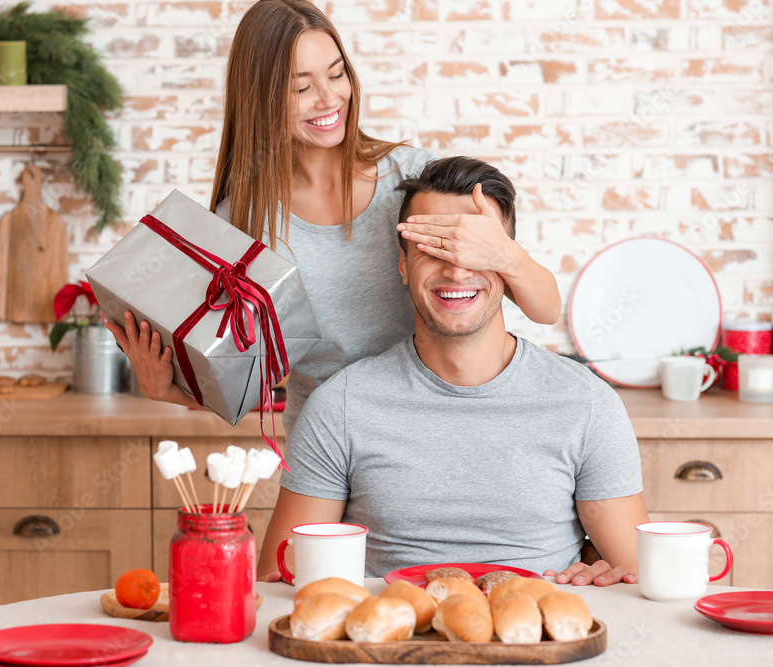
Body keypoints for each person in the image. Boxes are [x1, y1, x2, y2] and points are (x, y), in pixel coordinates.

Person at [106, 0, 561, 440]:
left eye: (337, 73)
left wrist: (504, 254)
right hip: (329, 446)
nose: (329, 99)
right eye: (301, 87)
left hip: (434, 428)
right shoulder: (240, 225)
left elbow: (545, 309)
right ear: (259, 99)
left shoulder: (413, 181)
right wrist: (166, 389)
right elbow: (244, 381)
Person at [258, 156, 649, 587]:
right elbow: (279, 580)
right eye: (433, 247)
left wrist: (601, 581)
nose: (457, 269)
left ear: (507, 263)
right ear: (403, 267)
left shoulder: (585, 403)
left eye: (476, 250)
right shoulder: (340, 406)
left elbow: (638, 579)